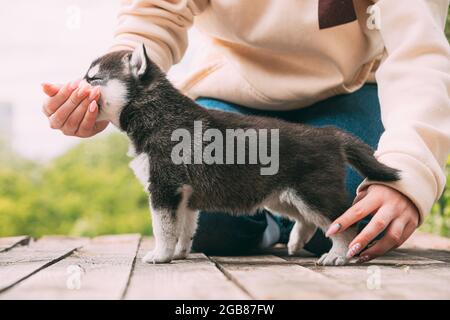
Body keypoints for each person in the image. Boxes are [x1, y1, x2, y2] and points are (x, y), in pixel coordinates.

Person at [41, 0, 450, 263]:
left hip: (351, 92)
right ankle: (277, 217)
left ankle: (288, 215)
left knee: (349, 212)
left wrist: (409, 169)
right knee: (215, 223)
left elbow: (419, 52)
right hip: (235, 93)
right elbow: (155, 14)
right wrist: (106, 95)